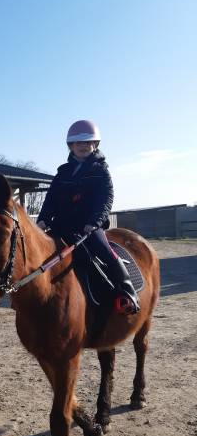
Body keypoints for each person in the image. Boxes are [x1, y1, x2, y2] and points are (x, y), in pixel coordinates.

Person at [37, 119, 140, 314]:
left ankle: (128, 292)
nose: (82, 146)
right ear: (71, 146)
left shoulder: (100, 171)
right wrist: (43, 219)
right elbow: (50, 199)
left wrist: (94, 222)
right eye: (78, 143)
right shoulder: (63, 172)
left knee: (104, 251)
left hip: (88, 227)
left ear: (95, 144)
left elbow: (106, 199)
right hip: (62, 226)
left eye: (87, 142)